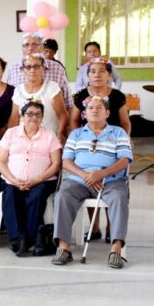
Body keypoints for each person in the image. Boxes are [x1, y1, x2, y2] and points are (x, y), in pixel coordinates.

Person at [51, 96, 132, 269]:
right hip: (79, 180)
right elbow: (66, 161)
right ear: (84, 114)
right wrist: (85, 175)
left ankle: (116, 249)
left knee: (119, 197)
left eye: (99, 107)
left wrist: (101, 173)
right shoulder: (76, 134)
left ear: (107, 113)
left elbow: (125, 159)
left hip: (111, 180)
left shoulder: (118, 132)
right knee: (63, 196)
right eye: (91, 108)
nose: (94, 110)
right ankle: (64, 248)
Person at [70, 57, 131, 244]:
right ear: (87, 75)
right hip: (87, 145)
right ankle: (94, 226)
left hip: (111, 145)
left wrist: (125, 141)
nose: (97, 75)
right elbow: (74, 120)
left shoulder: (117, 96)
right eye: (93, 71)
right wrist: (77, 140)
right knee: (89, 179)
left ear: (109, 75)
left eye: (102, 71)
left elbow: (125, 122)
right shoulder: (80, 95)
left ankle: (111, 227)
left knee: (108, 183)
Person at [0, 101, 62, 256]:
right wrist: (13, 179)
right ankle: (17, 239)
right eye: (29, 114)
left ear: (42, 117)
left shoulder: (49, 135)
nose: (33, 117)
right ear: (22, 116)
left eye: (37, 114)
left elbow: (56, 163)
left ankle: (29, 237)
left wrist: (37, 179)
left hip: (42, 181)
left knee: (37, 196)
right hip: (12, 181)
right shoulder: (11, 133)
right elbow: (0, 161)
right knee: (10, 196)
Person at [5, 32, 73, 110]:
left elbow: (68, 103)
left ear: (42, 48)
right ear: (22, 48)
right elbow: (10, 100)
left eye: (34, 45)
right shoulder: (14, 68)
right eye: (26, 45)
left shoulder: (57, 68)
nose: (30, 48)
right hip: (22, 120)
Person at [11, 53, 68, 143]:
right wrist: (11, 139)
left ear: (43, 69)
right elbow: (14, 119)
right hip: (24, 139)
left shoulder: (52, 87)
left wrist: (60, 134)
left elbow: (62, 115)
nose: (32, 70)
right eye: (28, 67)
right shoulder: (18, 90)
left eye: (36, 66)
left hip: (48, 140)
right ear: (23, 70)